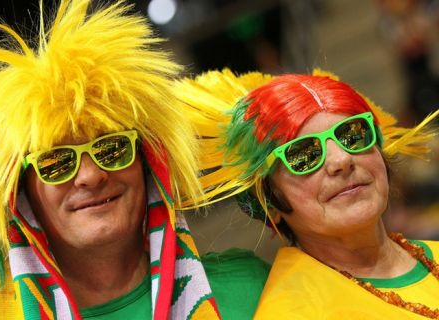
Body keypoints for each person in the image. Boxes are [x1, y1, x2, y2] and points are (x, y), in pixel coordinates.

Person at [0, 1, 269, 319]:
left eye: (113, 149)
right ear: (19, 194)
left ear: (147, 162)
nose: (92, 175)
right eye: (56, 163)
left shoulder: (253, 287)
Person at [176, 68, 439, 319]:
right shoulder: (293, 312)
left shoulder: (431, 255)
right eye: (303, 155)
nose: (342, 160)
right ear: (270, 203)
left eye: (352, 134)